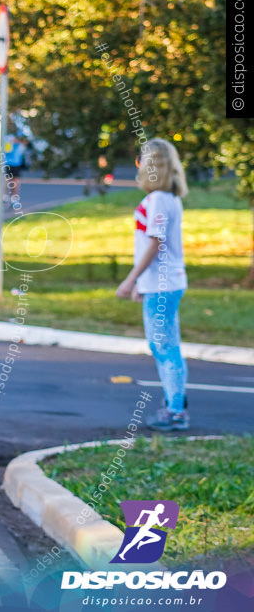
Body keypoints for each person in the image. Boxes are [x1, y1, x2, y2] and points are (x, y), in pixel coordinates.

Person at [115, 138, 189, 431]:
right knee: (166, 346)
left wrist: (131, 279)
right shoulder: (168, 198)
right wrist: (140, 284)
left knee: (164, 347)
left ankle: (175, 411)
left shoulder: (159, 199)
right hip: (162, 283)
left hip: (163, 285)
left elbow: (155, 243)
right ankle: (176, 403)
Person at [3, 133, 26, 205]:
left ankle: (14, 198)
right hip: (7, 162)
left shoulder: (18, 136)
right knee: (6, 180)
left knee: (15, 180)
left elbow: (24, 141)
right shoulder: (6, 137)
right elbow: (7, 149)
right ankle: (5, 196)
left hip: (16, 163)